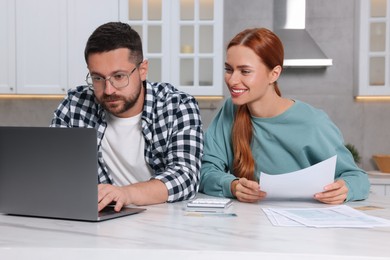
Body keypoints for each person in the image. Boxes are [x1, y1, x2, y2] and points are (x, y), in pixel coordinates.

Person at [199, 28, 370, 205]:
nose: (232, 80)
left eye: (245, 71)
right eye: (229, 69)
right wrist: (232, 185)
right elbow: (205, 169)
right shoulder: (230, 110)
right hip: (248, 223)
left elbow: (357, 177)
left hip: (305, 224)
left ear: (274, 73)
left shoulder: (312, 123)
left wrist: (345, 188)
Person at [51, 22, 203, 211]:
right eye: (97, 78)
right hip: (99, 218)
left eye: (119, 76)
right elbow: (54, 169)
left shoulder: (177, 106)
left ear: (142, 70)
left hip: (160, 220)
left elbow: (186, 176)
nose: (109, 90)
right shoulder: (75, 104)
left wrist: (125, 193)